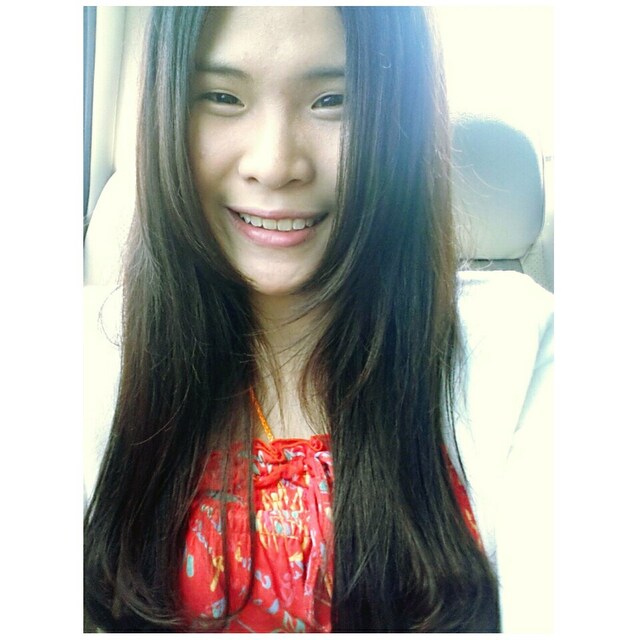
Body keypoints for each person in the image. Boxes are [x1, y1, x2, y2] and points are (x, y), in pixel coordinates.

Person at [83, 5, 554, 633]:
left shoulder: (522, 350)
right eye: (222, 97)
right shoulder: (82, 355)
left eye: (334, 101)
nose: (275, 164)